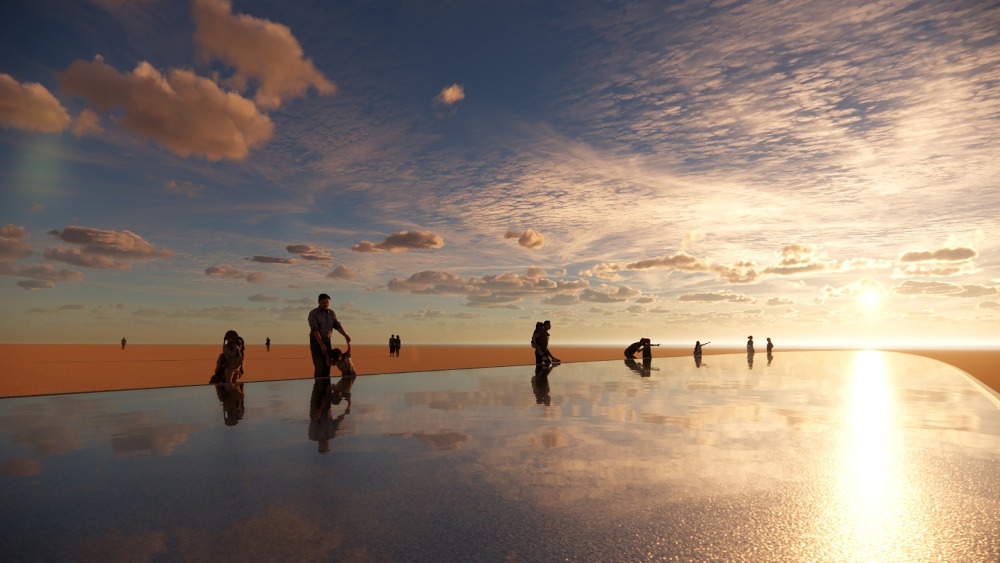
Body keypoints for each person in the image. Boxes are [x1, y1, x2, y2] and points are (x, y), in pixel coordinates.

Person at [308, 293, 351, 379]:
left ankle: (327, 389)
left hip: (327, 341)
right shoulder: (313, 313)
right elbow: (315, 330)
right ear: (319, 302)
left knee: (328, 365)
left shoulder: (331, 313)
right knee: (319, 366)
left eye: (327, 302)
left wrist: (345, 335)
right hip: (316, 342)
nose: (326, 304)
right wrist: (321, 344)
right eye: (323, 302)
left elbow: (337, 325)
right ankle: (318, 390)